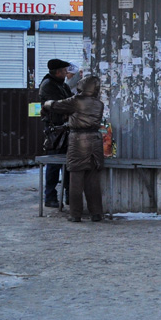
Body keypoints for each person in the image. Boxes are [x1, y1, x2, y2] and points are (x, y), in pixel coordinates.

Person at [42, 76, 105, 222]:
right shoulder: (99, 104)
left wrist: (47, 103)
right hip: (95, 141)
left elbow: (56, 105)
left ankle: (75, 214)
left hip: (78, 140)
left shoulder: (76, 101)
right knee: (93, 179)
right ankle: (96, 213)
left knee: (76, 178)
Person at [38, 58, 75, 208]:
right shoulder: (49, 86)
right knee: (54, 164)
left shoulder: (61, 85)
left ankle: (68, 195)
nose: (67, 73)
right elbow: (64, 105)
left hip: (64, 129)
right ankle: (50, 197)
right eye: (65, 71)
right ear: (58, 72)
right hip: (55, 130)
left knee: (68, 165)